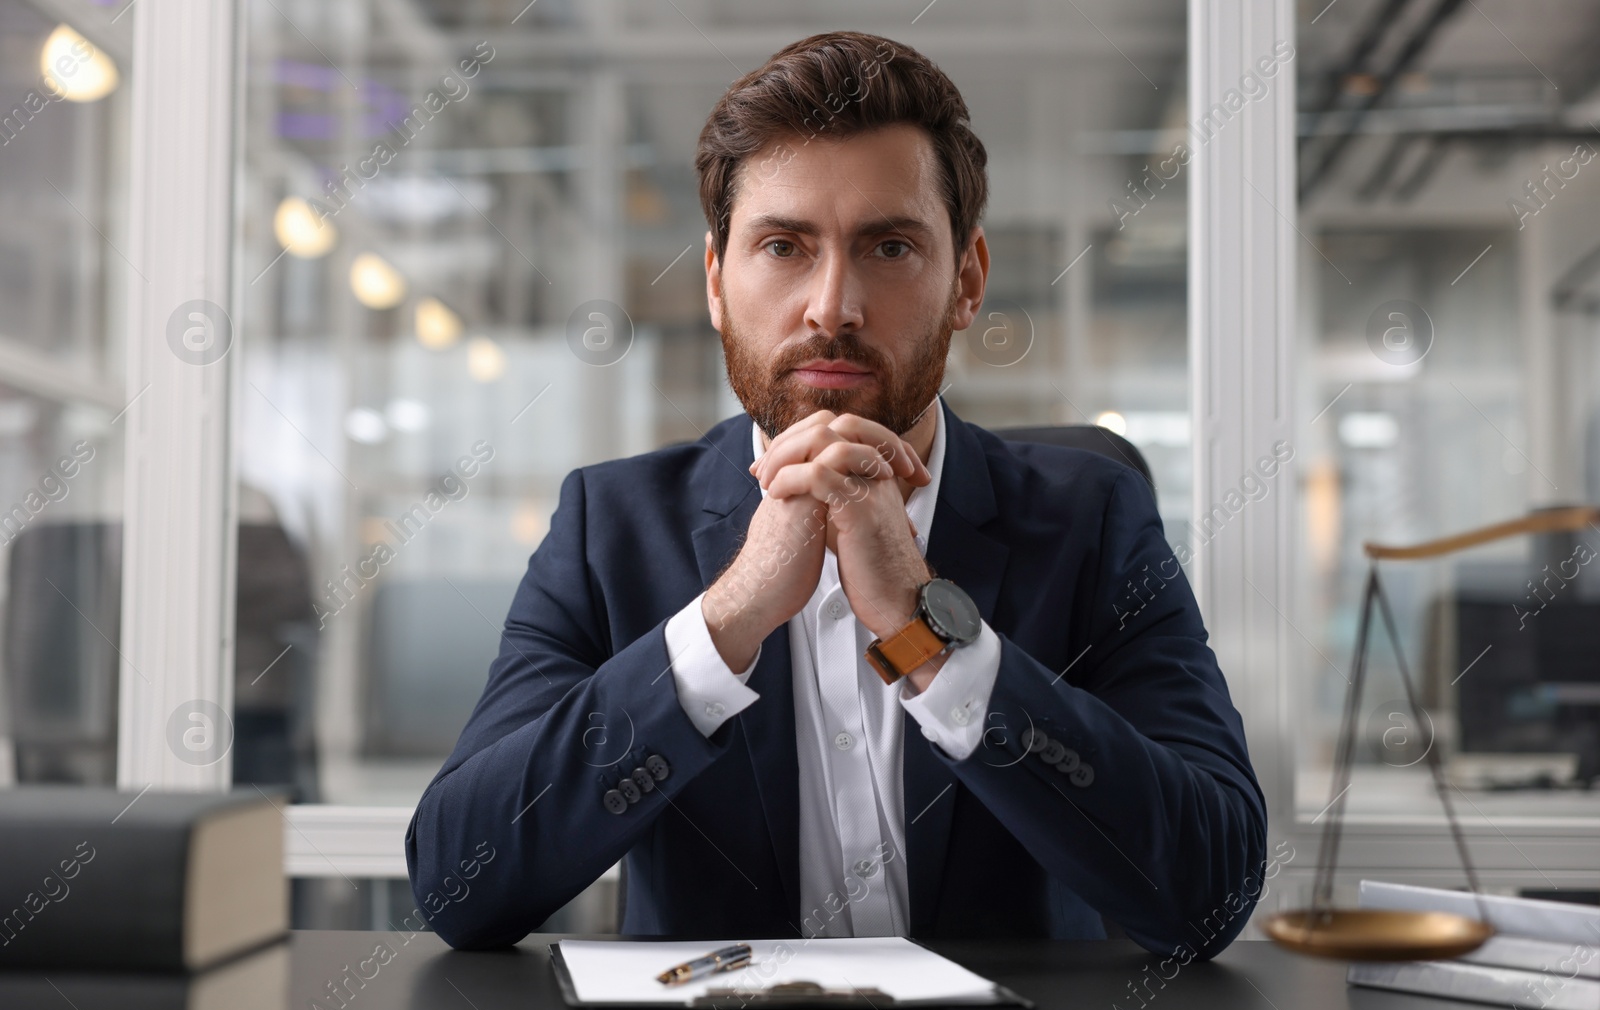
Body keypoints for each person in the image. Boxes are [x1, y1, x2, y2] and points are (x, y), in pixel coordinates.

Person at [406, 30, 1266, 958]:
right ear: (715, 282)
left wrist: (929, 635)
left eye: (889, 246)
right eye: (782, 245)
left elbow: (1209, 892)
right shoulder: (607, 528)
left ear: (967, 279)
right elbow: (461, 884)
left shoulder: (1091, 519)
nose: (831, 307)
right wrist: (726, 619)